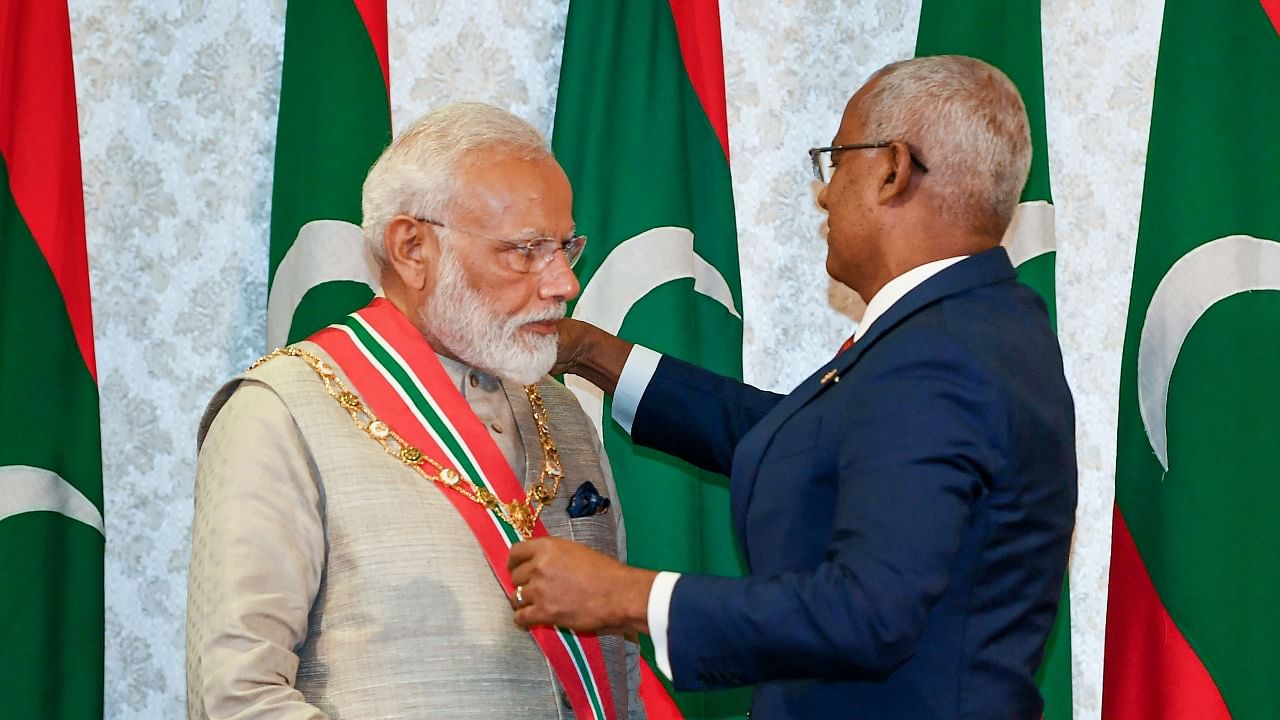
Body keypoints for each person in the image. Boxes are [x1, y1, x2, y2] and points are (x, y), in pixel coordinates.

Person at [507, 55, 1077, 720]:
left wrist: (628, 597)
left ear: (892, 169)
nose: (825, 193)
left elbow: (865, 613)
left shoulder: (938, 354)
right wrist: (594, 353)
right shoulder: (981, 323)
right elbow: (810, 446)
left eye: (836, 162)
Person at [186, 103, 643, 720]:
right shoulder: (280, 411)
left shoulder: (562, 412)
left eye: (565, 247)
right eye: (527, 250)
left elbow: (615, 679)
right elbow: (237, 699)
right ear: (412, 247)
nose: (564, 283)